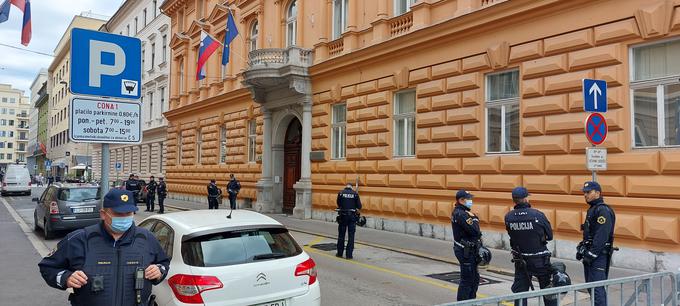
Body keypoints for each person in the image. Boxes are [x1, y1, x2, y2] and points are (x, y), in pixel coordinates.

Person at [38, 189, 170, 306]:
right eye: (118, 213)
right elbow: (48, 267)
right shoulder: (80, 239)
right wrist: (66, 278)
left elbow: (163, 263)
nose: (124, 218)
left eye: (129, 213)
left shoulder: (147, 238)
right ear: (103, 214)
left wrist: (159, 270)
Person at [504, 187, 555, 306]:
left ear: (514, 200)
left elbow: (512, 235)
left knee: (521, 294)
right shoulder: (537, 214)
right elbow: (550, 235)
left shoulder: (509, 217)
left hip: (521, 260)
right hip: (540, 260)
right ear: (526, 198)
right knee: (548, 292)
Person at [577, 181, 616, 306]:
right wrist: (582, 247)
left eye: (588, 192)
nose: (585, 195)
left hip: (599, 255)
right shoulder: (593, 209)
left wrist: (591, 254)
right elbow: (591, 234)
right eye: (584, 193)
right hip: (592, 254)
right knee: (591, 287)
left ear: (598, 193)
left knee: (597, 289)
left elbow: (601, 236)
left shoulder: (602, 210)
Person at [451, 189, 481, 301]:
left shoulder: (461, 212)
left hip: (467, 250)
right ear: (461, 200)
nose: (471, 201)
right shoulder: (462, 214)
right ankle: (463, 303)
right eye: (468, 199)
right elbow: (475, 231)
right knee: (468, 280)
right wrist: (475, 219)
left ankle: (471, 301)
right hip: (465, 251)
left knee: (474, 278)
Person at [336, 182, 362, 260]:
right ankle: (349, 255)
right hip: (352, 217)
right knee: (351, 236)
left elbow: (338, 203)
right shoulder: (355, 194)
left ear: (346, 187)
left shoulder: (340, 193)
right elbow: (359, 206)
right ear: (351, 187)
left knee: (341, 235)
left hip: (343, 216)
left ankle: (339, 253)